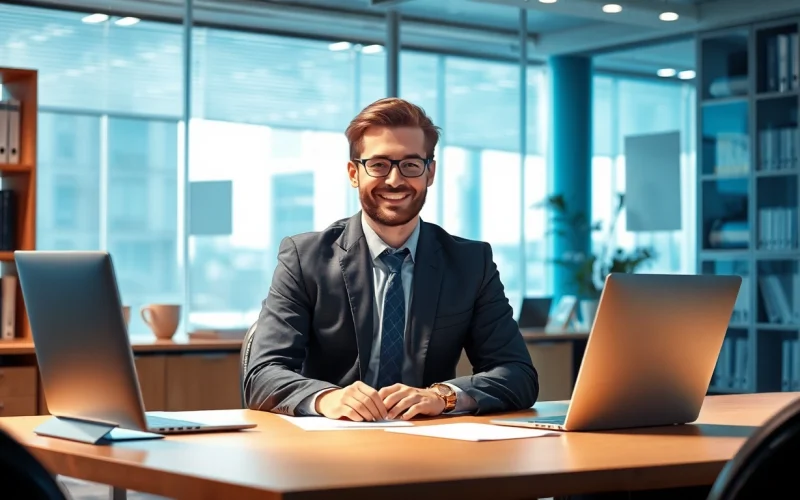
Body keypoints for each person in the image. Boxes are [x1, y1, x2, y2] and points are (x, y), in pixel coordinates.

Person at [244, 97, 539, 421]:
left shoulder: (470, 263)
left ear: (430, 173)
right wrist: (325, 398)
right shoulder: (305, 258)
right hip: (329, 447)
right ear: (354, 173)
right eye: (379, 164)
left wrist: (444, 396)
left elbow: (518, 374)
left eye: (410, 164)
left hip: (431, 443)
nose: (395, 180)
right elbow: (262, 374)